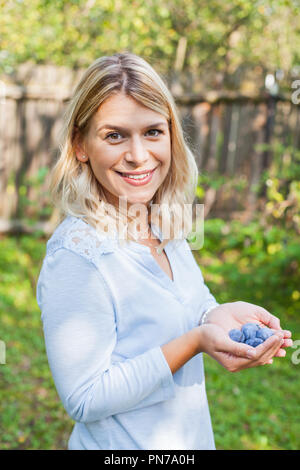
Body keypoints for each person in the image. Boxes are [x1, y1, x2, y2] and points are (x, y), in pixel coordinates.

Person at [36, 52, 292, 450]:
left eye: (153, 131)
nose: (138, 155)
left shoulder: (162, 223)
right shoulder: (78, 254)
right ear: (81, 145)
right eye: (114, 135)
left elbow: (189, 302)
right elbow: (85, 398)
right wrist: (194, 343)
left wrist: (215, 315)